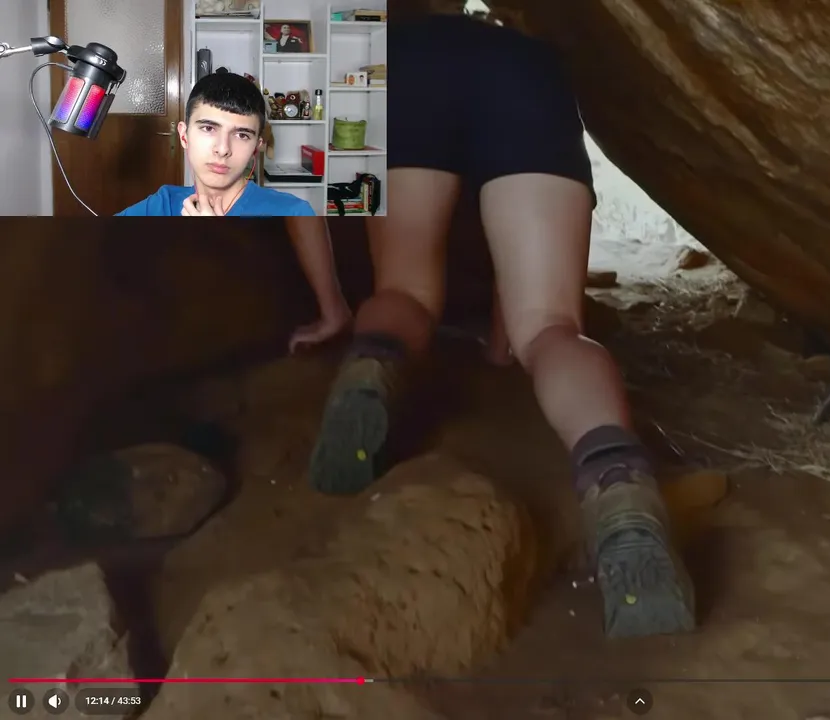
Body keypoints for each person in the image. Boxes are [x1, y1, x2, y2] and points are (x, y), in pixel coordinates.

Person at [288, 12, 696, 640]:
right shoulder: (511, 41)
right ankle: (619, 485)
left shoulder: (319, 52)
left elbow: (296, 193)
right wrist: (509, 340)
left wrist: (331, 309)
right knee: (551, 327)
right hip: (521, 71)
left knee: (403, 290)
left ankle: (372, 363)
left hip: (401, 71)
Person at [117, 73, 314, 216]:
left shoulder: (293, 213)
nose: (223, 149)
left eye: (242, 135)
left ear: (256, 147)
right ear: (184, 136)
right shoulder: (163, 205)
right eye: (208, 128)